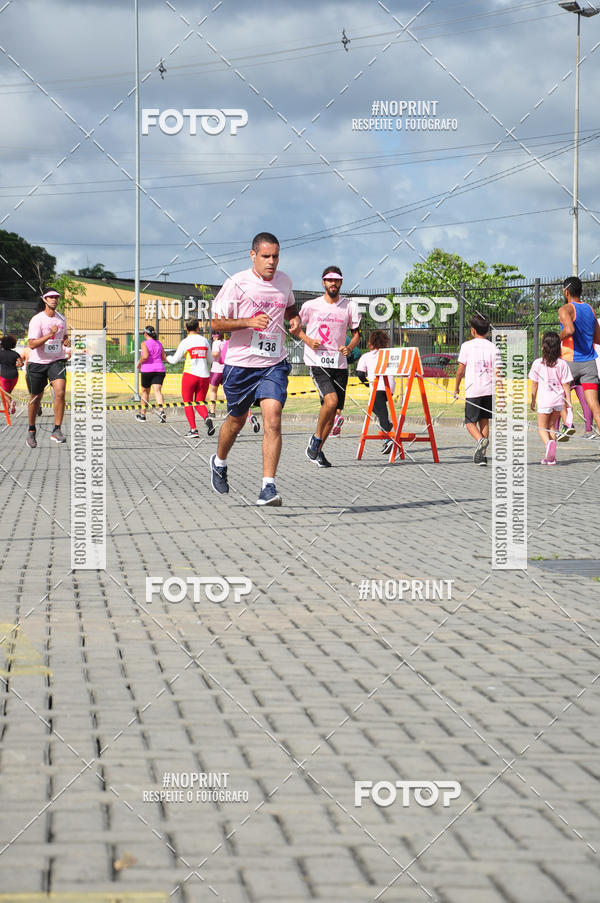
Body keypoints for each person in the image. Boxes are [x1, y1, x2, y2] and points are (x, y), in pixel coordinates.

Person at [209, 231, 300, 506]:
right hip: (240, 365)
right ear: (253, 255)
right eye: (266, 256)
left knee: (273, 417)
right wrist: (248, 321)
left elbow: (291, 308)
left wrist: (294, 320)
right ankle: (219, 461)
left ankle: (268, 487)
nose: (271, 262)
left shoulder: (284, 281)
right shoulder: (237, 283)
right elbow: (215, 323)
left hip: (273, 363)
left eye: (275, 256)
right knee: (236, 421)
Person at [291, 266, 361, 467]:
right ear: (323, 282)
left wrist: (349, 347)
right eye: (329, 280)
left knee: (334, 413)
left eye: (337, 280)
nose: (333, 283)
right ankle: (315, 439)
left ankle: (317, 451)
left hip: (339, 364)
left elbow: (357, 334)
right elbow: (295, 326)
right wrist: (307, 339)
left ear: (341, 282)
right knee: (330, 402)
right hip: (317, 361)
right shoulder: (312, 305)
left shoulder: (349, 306)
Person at [453, 313, 500, 465]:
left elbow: (460, 369)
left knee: (469, 422)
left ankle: (480, 441)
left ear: (473, 330)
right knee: (484, 421)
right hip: (489, 390)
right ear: (487, 331)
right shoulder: (493, 347)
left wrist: (456, 387)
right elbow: (498, 372)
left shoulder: (467, 346)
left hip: (474, 390)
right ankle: (482, 456)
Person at [557, 276, 600, 441]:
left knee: (559, 392)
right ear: (580, 291)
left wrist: (555, 337)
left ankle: (568, 425)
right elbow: (598, 338)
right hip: (589, 363)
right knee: (595, 407)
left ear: (566, 291)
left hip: (569, 361)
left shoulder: (565, 309)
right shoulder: (590, 309)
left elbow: (569, 330)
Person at [26, 289, 70, 448]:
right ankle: (31, 429)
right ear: (44, 300)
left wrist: (66, 341)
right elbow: (32, 344)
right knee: (36, 398)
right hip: (37, 363)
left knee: (60, 390)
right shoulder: (37, 320)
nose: (54, 299)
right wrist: (49, 335)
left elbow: (64, 336)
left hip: (56, 361)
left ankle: (57, 429)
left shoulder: (61, 318)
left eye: (56, 297)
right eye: (51, 297)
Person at [166, 317, 214, 438]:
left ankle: (193, 429)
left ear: (186, 329)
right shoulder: (204, 341)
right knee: (199, 402)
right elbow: (210, 360)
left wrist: (165, 357)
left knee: (188, 403)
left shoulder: (185, 342)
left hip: (190, 375)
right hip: (204, 376)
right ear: (198, 327)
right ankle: (206, 417)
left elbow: (174, 360)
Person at [529, 332, 572, 465]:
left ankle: (548, 445)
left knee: (542, 427)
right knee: (552, 426)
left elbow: (534, 383)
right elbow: (566, 384)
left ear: (543, 347)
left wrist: (532, 400)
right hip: (559, 400)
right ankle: (551, 458)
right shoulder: (562, 364)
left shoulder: (538, 363)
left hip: (545, 400)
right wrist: (569, 402)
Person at [356, 330, 396, 454]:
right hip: (390, 386)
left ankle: (388, 438)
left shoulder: (366, 356)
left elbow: (360, 374)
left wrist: (368, 384)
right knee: (376, 407)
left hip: (378, 386)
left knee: (380, 410)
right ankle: (387, 426)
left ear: (371, 343)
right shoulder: (389, 354)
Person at [136, 325, 167, 422]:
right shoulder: (159, 343)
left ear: (145, 334)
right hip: (159, 369)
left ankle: (143, 414)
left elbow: (145, 356)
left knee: (145, 392)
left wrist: (139, 362)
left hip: (147, 370)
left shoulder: (144, 343)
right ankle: (161, 411)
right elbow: (163, 357)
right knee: (157, 391)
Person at [0, 334, 24, 416]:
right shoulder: (15, 354)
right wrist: (14, 365)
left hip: (4, 375)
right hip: (14, 375)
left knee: (4, 393)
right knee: (8, 392)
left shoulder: (1, 353)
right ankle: (8, 410)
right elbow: (21, 364)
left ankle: (10, 404)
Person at [208, 332, 225, 418]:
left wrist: (208, 355)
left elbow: (215, 354)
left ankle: (212, 412)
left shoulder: (216, 343)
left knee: (213, 391)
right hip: (225, 369)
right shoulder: (225, 342)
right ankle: (231, 411)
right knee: (226, 391)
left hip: (216, 369)